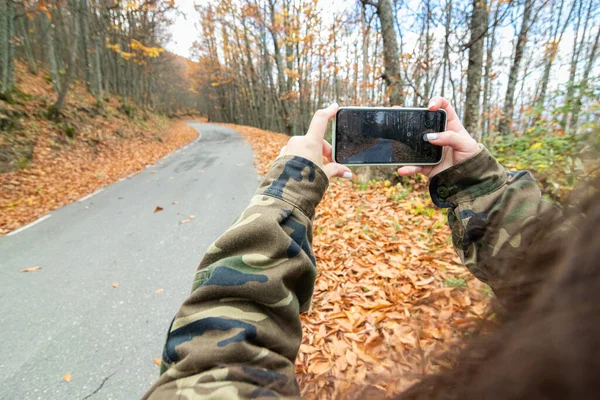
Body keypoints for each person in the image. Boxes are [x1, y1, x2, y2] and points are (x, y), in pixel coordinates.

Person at [142, 97, 596, 399]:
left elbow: (212, 374)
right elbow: (568, 278)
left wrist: (287, 190)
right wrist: (478, 184)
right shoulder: (572, 330)